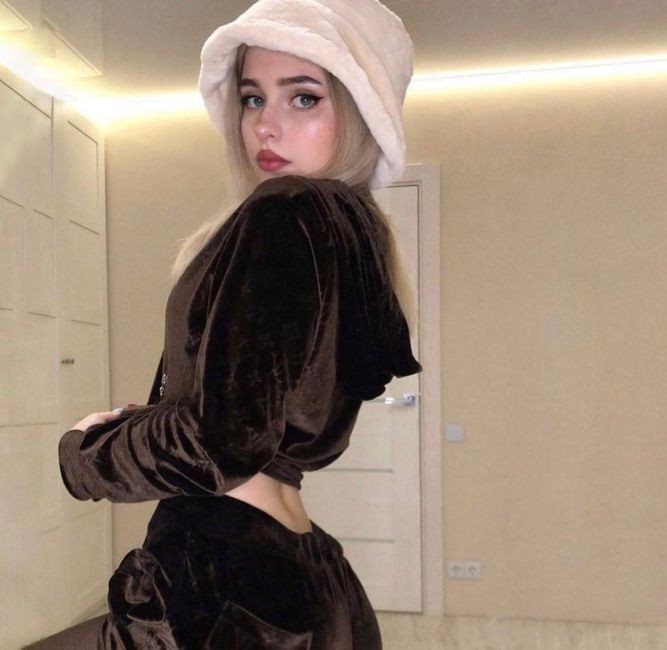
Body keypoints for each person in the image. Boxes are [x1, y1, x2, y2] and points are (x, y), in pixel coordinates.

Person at [30, 0, 421, 647]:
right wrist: (150, 420)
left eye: (302, 98)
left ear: (356, 113)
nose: (266, 124)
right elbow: (256, 421)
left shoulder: (287, 210)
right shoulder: (356, 231)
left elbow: (222, 443)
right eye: (251, 98)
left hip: (222, 575)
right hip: (305, 570)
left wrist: (87, 454)